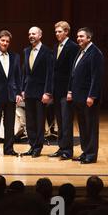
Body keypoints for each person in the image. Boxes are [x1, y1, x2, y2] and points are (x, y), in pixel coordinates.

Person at [67, 27, 104, 164]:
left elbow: (96, 77)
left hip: (88, 98)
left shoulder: (95, 53)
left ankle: (91, 155)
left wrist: (92, 96)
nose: (79, 39)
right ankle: (85, 151)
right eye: (77, 36)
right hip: (78, 97)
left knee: (91, 127)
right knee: (83, 126)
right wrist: (70, 91)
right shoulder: (81, 51)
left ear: (89, 38)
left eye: (82, 36)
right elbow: (74, 74)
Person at [49, 21, 80, 160]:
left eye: (60, 31)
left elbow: (73, 71)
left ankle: (68, 151)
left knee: (66, 122)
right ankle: (61, 148)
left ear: (66, 32)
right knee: (60, 122)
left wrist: (71, 91)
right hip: (57, 91)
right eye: (56, 32)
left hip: (66, 91)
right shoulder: (56, 47)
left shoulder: (73, 47)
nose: (57, 34)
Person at [21, 27, 53, 158]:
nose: (31, 36)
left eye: (33, 33)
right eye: (29, 34)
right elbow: (25, 72)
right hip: (28, 91)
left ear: (40, 35)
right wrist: (22, 89)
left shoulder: (47, 52)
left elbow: (49, 74)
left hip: (41, 93)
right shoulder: (26, 50)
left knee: (39, 121)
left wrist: (47, 92)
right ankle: (32, 145)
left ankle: (38, 147)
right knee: (30, 122)